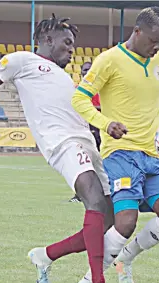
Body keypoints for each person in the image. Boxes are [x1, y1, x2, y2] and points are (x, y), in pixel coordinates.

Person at [0, 14, 128, 283]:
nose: (71, 49)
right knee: (93, 201)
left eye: (73, 45)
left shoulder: (65, 77)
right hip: (61, 144)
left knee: (109, 222)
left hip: (88, 145)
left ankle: (45, 255)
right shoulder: (22, 61)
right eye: (67, 43)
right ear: (47, 40)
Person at [72, 6, 159, 283]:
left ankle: (127, 257)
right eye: (152, 40)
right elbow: (79, 98)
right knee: (125, 221)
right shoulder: (109, 60)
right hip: (121, 153)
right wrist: (105, 123)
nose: (157, 47)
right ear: (136, 32)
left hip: (155, 155)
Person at [69, 61, 101, 203]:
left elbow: (102, 107)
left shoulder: (97, 89)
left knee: (99, 163)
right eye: (84, 70)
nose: (86, 72)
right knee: (81, 164)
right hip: (81, 130)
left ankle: (103, 192)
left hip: (98, 131)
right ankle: (79, 195)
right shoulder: (76, 89)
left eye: (89, 70)